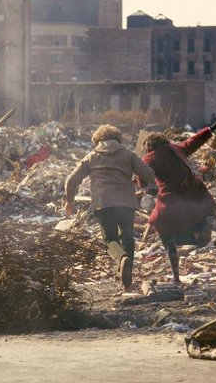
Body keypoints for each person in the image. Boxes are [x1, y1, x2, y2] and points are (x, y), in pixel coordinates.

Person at [64, 124, 155, 292]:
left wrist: (69, 201)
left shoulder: (92, 156)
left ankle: (121, 259)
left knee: (110, 240)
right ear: (117, 139)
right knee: (127, 238)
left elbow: (72, 180)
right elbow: (148, 173)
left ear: (98, 140)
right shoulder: (128, 154)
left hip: (103, 203)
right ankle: (127, 283)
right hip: (126, 203)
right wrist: (148, 185)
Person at [140, 116, 216, 284]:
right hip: (196, 197)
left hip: (171, 200)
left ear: (148, 147)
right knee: (196, 230)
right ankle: (205, 224)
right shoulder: (175, 149)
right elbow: (194, 141)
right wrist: (213, 127)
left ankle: (176, 277)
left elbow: (143, 179)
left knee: (161, 227)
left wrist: (147, 188)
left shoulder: (149, 158)